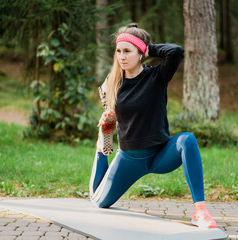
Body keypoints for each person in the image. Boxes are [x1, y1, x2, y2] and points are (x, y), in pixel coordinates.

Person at [89, 23, 217, 230]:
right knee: (99, 200)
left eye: (128, 51)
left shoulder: (156, 77)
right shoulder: (114, 84)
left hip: (160, 154)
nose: (121, 57)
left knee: (187, 140)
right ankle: (99, 148)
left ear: (140, 53)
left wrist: (150, 48)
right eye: (118, 51)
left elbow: (175, 52)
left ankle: (200, 211)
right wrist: (105, 131)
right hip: (129, 159)